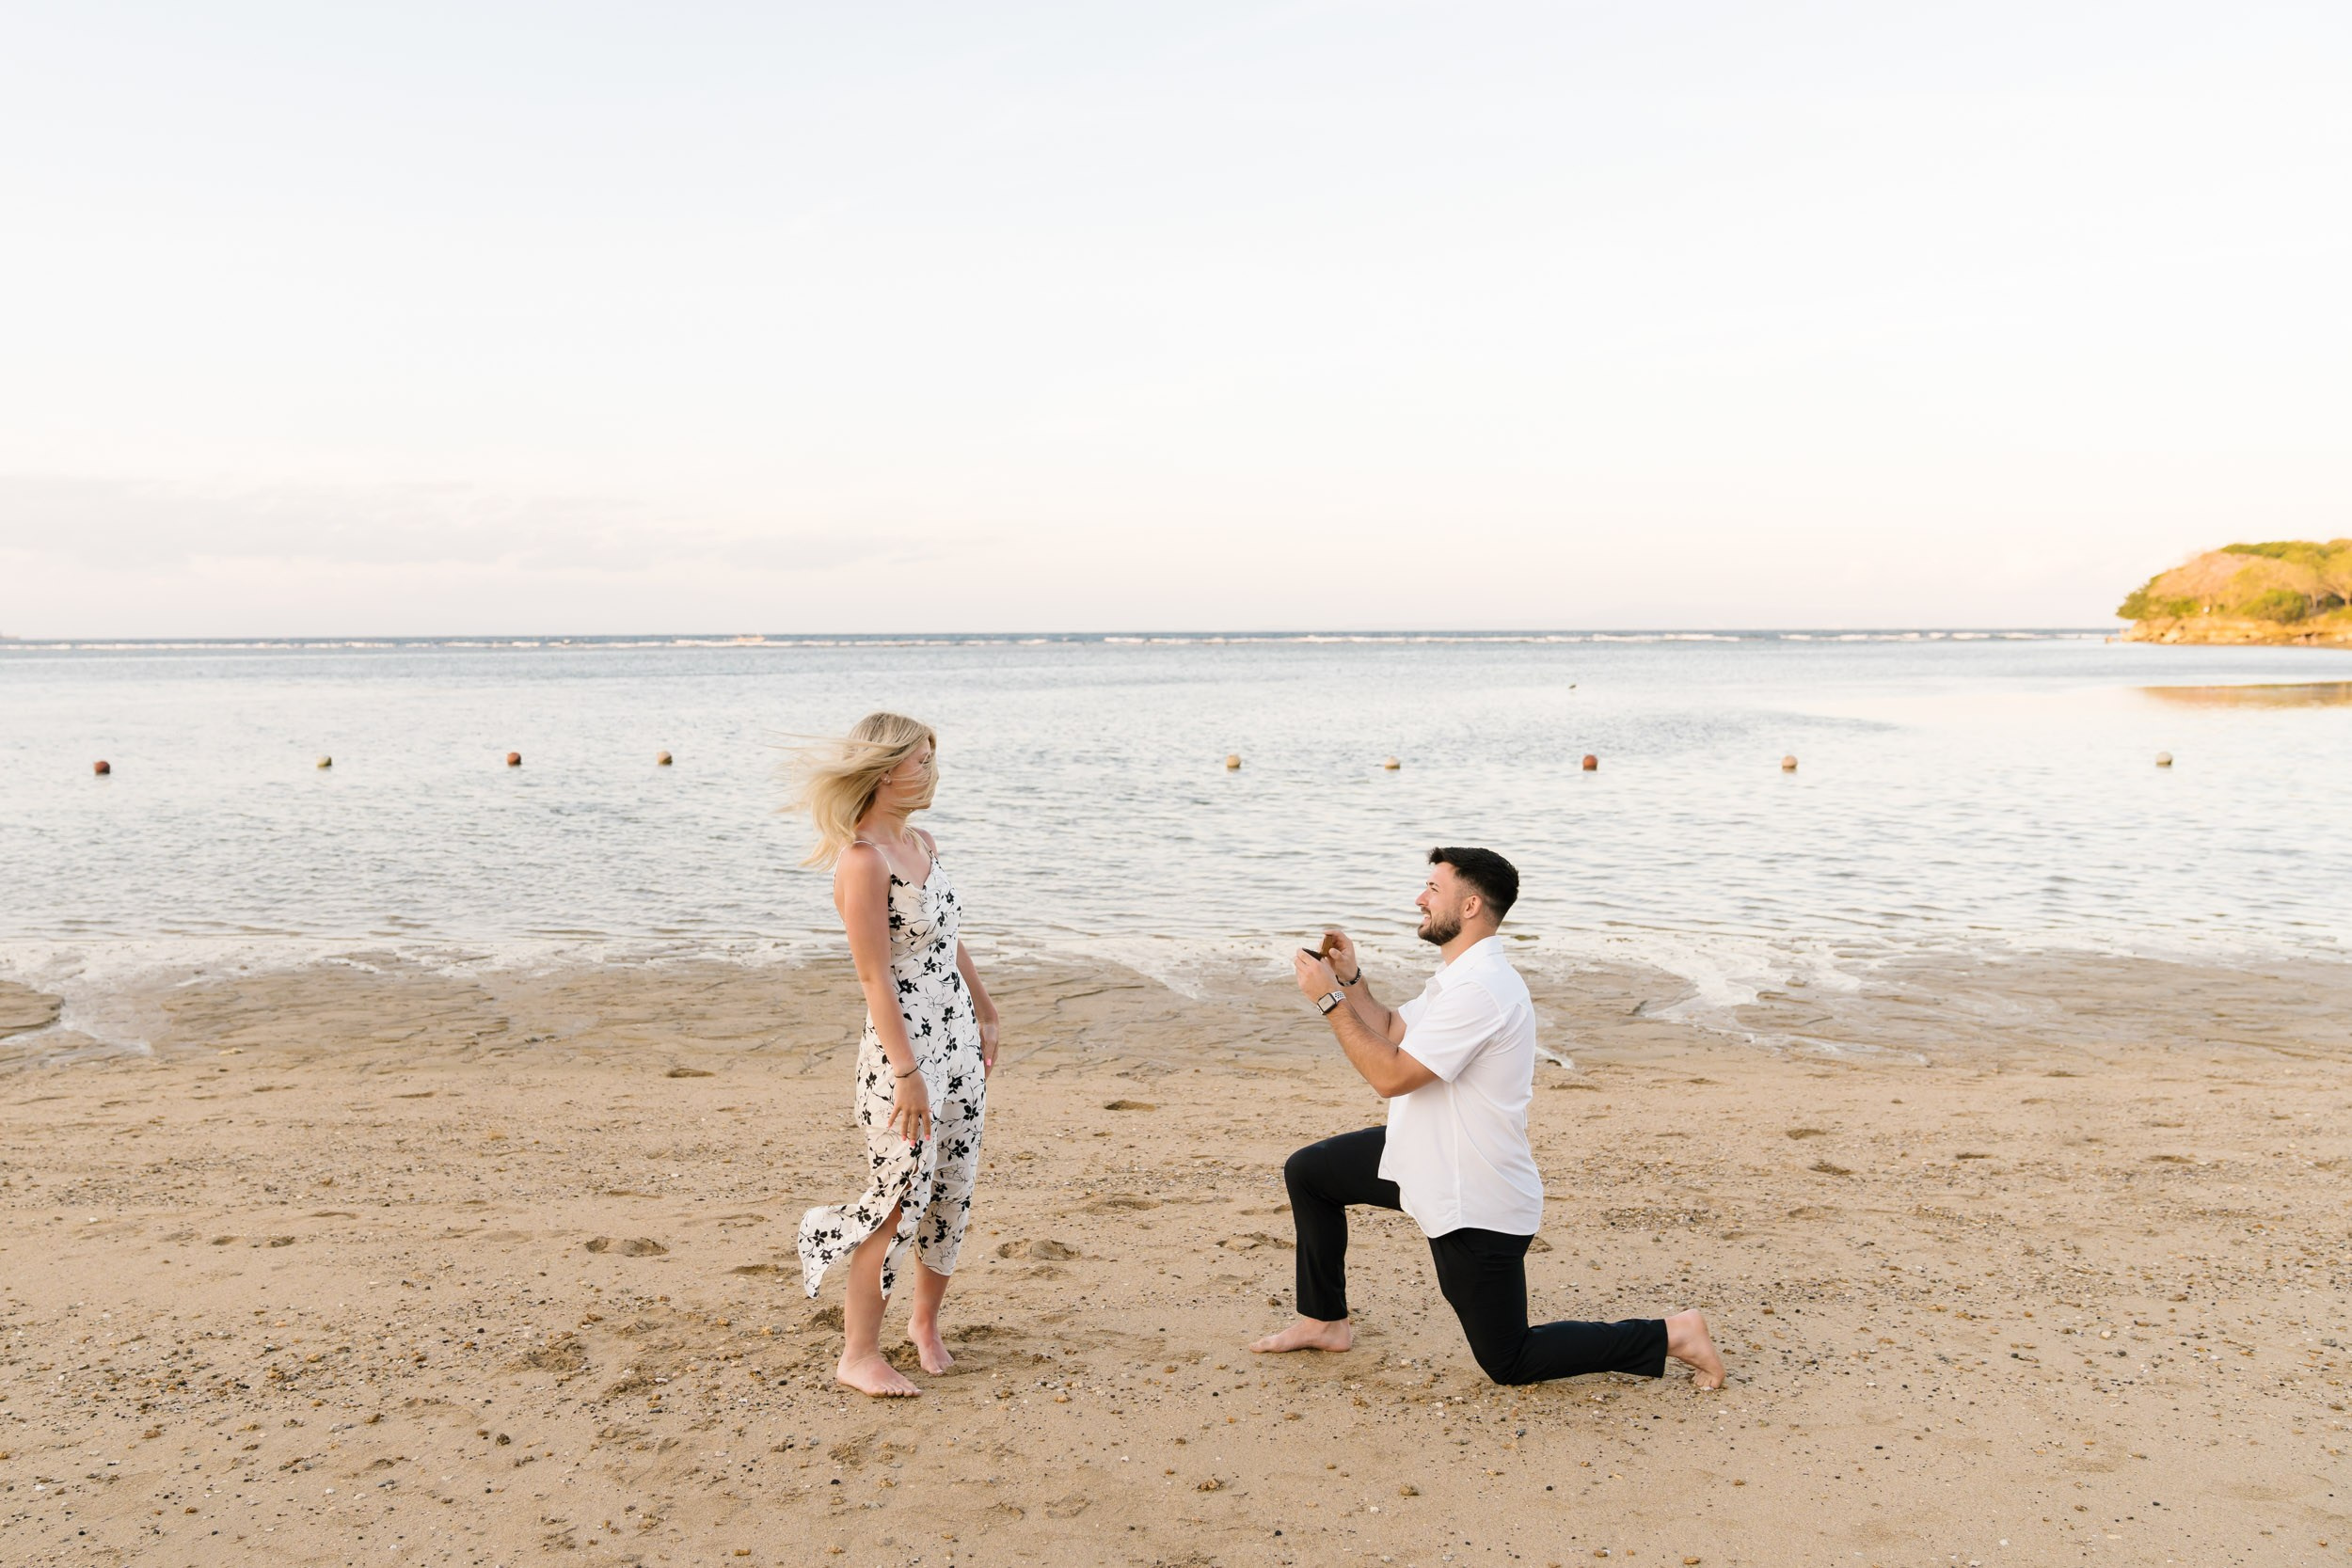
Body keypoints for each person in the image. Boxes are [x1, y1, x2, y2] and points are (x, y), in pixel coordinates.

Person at [1250, 847, 1724, 1389]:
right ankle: (1325, 1320)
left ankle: (1674, 1334)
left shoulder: (1481, 989)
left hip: (1471, 1190)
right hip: (1423, 1152)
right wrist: (1352, 979)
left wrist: (1329, 1001)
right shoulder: (1462, 975)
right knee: (1311, 1172)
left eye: (1434, 888)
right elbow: (1392, 1029)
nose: (1419, 898)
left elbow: (1391, 1075)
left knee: (1509, 1360)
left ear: (1470, 904)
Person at [793, 713, 1000, 1398]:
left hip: (959, 1040)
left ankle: (925, 1323)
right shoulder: (863, 862)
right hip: (902, 1057)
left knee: (953, 1189)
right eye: (920, 760)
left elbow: (946, 937)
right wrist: (908, 1073)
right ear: (886, 772)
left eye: (933, 756)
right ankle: (858, 1353)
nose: (932, 770)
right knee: (899, 1198)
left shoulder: (922, 842)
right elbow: (874, 976)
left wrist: (988, 1011)